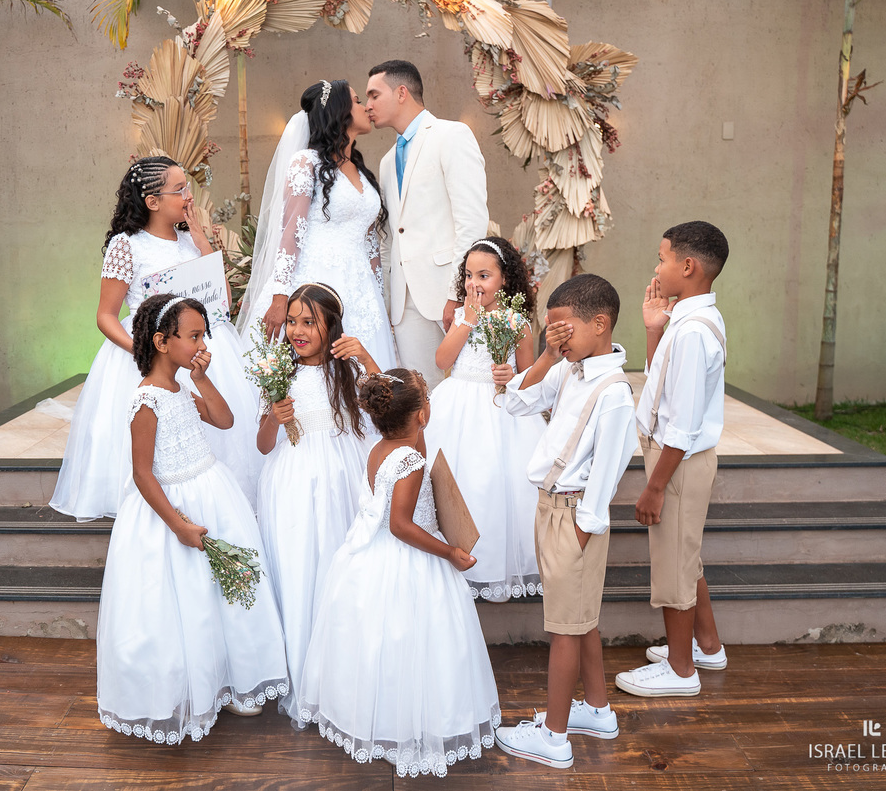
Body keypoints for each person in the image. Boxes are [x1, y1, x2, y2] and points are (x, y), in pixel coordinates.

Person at [96, 293, 289, 744]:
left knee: (225, 593)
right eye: (195, 336)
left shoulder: (182, 388)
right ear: (163, 341)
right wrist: (178, 524)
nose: (203, 343)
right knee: (188, 604)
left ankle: (237, 678)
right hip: (172, 510)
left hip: (212, 492)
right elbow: (142, 474)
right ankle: (190, 690)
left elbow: (224, 419)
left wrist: (203, 378)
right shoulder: (146, 400)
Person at [297, 368, 501, 778]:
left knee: (380, 647)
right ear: (421, 416)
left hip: (371, 558)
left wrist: (417, 420)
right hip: (407, 558)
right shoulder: (409, 462)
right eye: (427, 401)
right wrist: (451, 552)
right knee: (412, 644)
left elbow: (411, 453)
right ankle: (409, 729)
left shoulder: (381, 448)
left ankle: (379, 720)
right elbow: (401, 525)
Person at [51, 157, 262, 520]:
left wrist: (202, 241)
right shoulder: (127, 245)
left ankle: (214, 500)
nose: (189, 197)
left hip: (205, 347)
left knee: (218, 429)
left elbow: (222, 303)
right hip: (151, 351)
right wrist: (146, 351)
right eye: (179, 189)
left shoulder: (191, 240)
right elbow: (105, 315)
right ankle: (159, 510)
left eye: (189, 187)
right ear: (152, 201)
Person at [494, 274, 637, 768]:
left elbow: (609, 470)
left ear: (599, 324)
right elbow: (514, 401)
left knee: (565, 630)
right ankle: (597, 710)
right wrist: (548, 355)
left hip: (575, 516)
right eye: (550, 330)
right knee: (581, 622)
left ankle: (554, 738)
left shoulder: (613, 391)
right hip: (551, 508)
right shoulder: (570, 369)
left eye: (563, 330)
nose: (556, 337)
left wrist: (582, 528)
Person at [255, 282, 380, 724]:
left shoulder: (347, 373)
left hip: (339, 479)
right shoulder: (279, 371)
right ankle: (299, 670)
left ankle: (338, 676)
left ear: (332, 327)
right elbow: (263, 444)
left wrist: (364, 358)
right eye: (292, 321)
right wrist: (274, 417)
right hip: (290, 480)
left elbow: (389, 405)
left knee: (333, 565)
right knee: (297, 566)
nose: (297, 330)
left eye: (309, 322)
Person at [615, 221, 730, 698]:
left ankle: (681, 671)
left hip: (676, 462)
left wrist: (655, 485)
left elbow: (681, 423)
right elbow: (663, 383)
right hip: (678, 457)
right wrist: (652, 330)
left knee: (674, 566)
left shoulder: (692, 332)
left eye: (662, 259)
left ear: (688, 266)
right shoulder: (685, 323)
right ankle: (706, 645)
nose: (657, 268)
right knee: (686, 555)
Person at [240, 80, 396, 371]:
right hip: (314, 281)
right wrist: (279, 297)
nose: (365, 107)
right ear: (340, 111)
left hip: (361, 289)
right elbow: (291, 233)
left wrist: (380, 300)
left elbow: (371, 243)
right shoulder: (306, 163)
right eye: (357, 100)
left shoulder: (362, 170)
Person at [424, 237, 545, 601]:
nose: (474, 283)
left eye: (484, 275)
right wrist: (467, 322)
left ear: (504, 280)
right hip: (458, 403)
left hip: (500, 411)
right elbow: (443, 361)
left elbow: (530, 374)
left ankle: (493, 563)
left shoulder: (516, 321)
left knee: (493, 481)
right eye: (468, 275)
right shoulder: (462, 316)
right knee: (458, 478)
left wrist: (512, 378)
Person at [365, 59, 488, 389]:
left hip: (452, 292)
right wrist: (390, 300)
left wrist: (457, 292)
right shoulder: (387, 161)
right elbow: (391, 236)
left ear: (401, 92)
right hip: (406, 302)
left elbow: (472, 221)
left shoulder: (451, 135)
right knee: (421, 394)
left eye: (374, 95)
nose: (367, 105)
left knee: (471, 388)